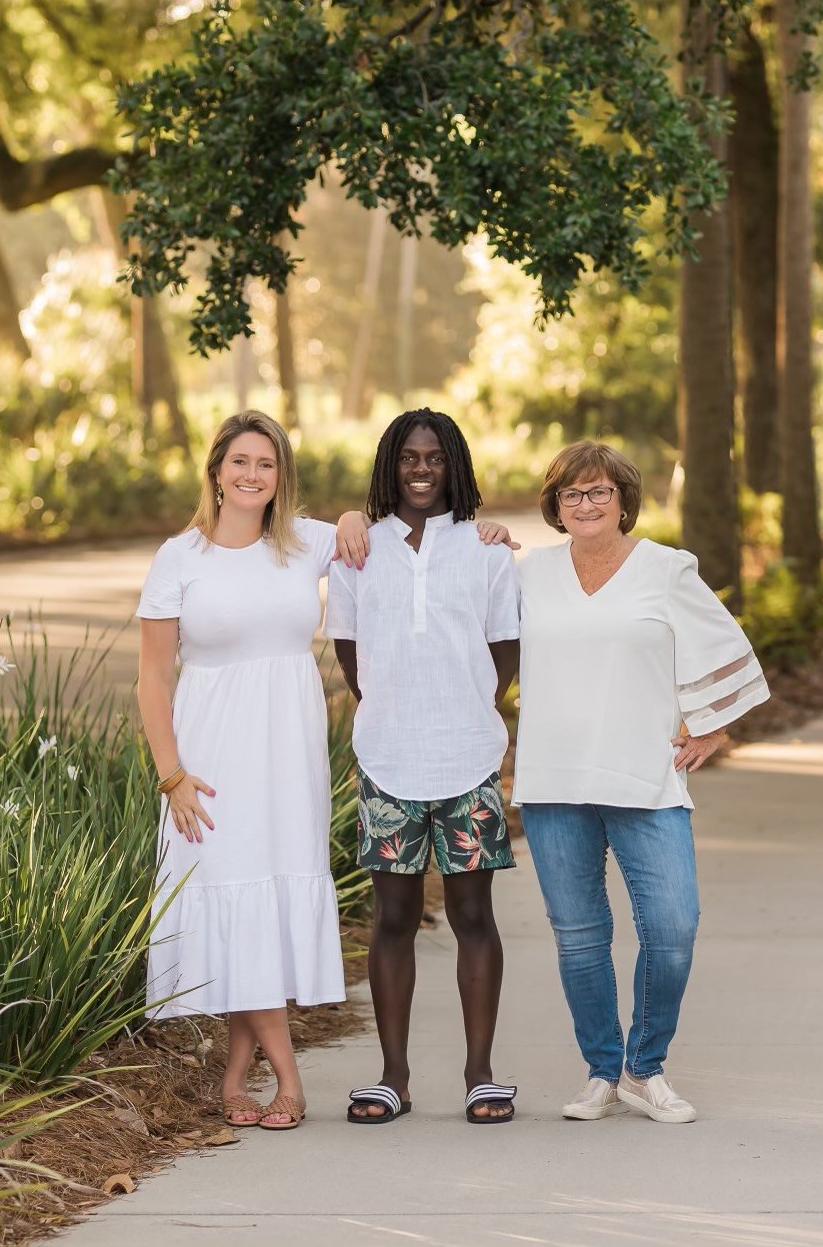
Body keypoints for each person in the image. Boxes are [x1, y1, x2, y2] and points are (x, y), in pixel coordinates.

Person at [136, 410, 512, 1131]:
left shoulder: (308, 543)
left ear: (282, 475)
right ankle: (289, 1076)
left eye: (267, 463)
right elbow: (152, 679)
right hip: (209, 760)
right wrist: (172, 774)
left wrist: (481, 528)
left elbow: (382, 533)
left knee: (265, 901)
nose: (252, 475)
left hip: (286, 753)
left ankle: (237, 1073)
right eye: (240, 461)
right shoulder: (178, 557)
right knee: (231, 887)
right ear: (216, 470)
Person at [512, 441, 770, 1125]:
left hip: (644, 773)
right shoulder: (529, 573)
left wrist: (713, 726)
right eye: (572, 494)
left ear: (623, 498)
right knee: (579, 935)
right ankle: (603, 1069)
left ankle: (644, 1065)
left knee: (673, 927)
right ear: (555, 505)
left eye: (599, 491)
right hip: (554, 777)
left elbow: (724, 643)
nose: (586, 503)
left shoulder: (665, 568)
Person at [326, 409, 522, 1126]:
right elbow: (349, 648)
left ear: (453, 465)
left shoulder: (486, 550)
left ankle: (480, 1075)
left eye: (434, 457)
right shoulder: (358, 550)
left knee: (473, 914)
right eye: (408, 457)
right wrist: (391, 707)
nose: (420, 468)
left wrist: (470, 708)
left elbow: (505, 646)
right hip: (388, 758)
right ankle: (393, 1077)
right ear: (390, 464)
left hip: (468, 757)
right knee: (393, 917)